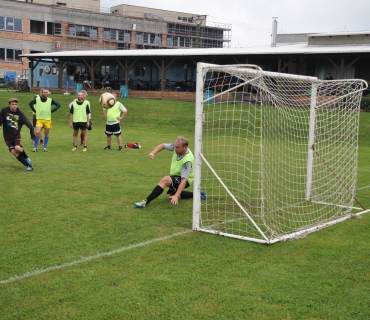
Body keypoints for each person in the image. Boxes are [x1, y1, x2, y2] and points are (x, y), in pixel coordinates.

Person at [134, 136, 208, 208]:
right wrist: (153, 153)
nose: (175, 148)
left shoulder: (187, 160)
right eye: (175, 146)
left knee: (165, 180)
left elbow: (184, 180)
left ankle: (145, 202)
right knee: (172, 195)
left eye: (177, 147)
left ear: (185, 148)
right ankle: (198, 194)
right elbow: (163, 145)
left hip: (186, 179)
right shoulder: (176, 147)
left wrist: (176, 195)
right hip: (176, 176)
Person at [0, 98, 35, 171]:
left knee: (17, 148)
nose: (14, 106)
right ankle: (28, 166)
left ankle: (27, 158)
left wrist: (32, 136)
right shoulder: (4, 111)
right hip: (7, 137)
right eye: (12, 104)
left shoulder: (20, 114)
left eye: (16, 104)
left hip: (16, 135)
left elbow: (30, 126)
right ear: (9, 104)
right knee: (14, 152)